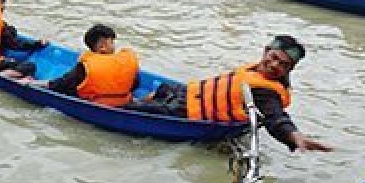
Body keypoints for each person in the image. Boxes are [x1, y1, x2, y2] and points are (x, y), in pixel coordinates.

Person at [132, 36, 332, 152]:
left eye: (283, 65)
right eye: (274, 58)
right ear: (266, 51)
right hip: (189, 94)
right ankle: (148, 96)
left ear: (290, 70)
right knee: (162, 88)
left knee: (129, 108)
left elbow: (276, 118)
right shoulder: (255, 71)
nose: (274, 65)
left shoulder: (265, 92)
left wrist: (295, 137)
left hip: (188, 113)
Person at [40, 24, 140, 107]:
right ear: (102, 47)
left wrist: (34, 83)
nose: (114, 46)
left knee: (70, 86)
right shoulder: (126, 62)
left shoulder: (86, 66)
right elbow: (135, 84)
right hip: (124, 103)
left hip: (97, 105)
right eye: (112, 42)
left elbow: (60, 84)